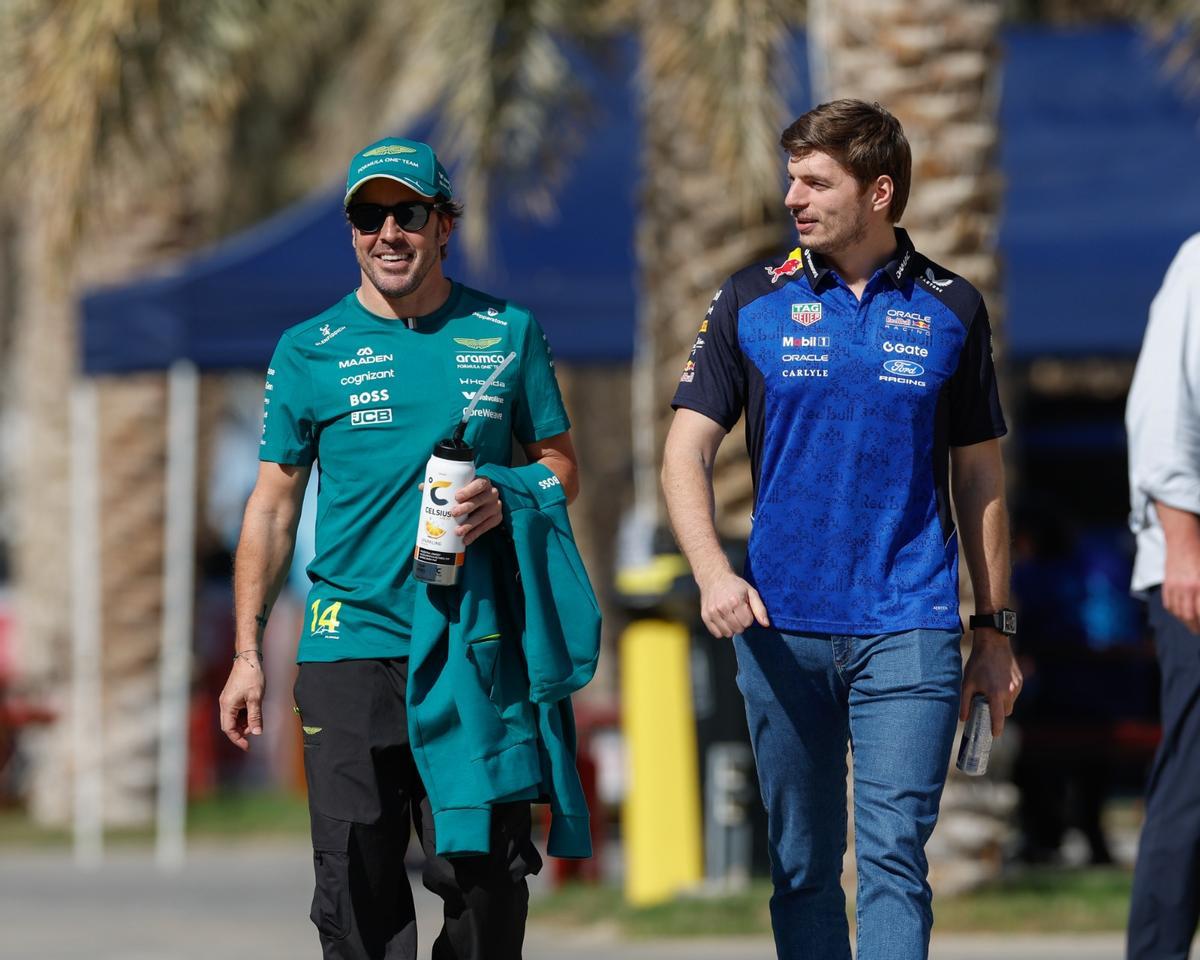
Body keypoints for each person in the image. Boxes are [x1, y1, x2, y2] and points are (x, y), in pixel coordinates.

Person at [660, 99, 1022, 960]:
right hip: (780, 629)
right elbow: (683, 455)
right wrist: (714, 572)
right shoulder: (750, 297)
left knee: (894, 859)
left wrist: (996, 629)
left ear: (879, 193)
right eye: (792, 177)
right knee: (803, 866)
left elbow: (979, 475)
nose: (793, 196)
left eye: (816, 180)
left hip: (912, 625)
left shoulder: (954, 307)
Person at [218, 136, 579, 960]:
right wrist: (246, 652)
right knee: (356, 888)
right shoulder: (309, 350)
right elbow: (272, 510)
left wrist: (509, 491)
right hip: (350, 647)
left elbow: (562, 467)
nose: (388, 233)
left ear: (444, 224)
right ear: (350, 230)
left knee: (485, 880)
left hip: (476, 647)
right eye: (367, 216)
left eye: (407, 213)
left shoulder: (506, 334)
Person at [1126, 232, 1200, 960]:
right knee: (1194, 782)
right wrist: (1184, 550)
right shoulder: (1198, 263)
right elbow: (1159, 423)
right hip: (1193, 570)